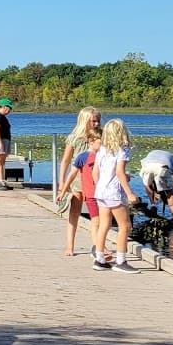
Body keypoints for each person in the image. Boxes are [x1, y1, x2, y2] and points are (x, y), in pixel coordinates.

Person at [90, 117, 141, 272]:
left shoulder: (102, 150)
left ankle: (99, 259)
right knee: (125, 226)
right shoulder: (122, 150)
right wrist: (130, 193)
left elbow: (95, 172)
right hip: (114, 192)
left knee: (104, 224)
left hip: (101, 192)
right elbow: (119, 172)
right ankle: (121, 261)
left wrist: (100, 186)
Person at [54, 106, 102, 255]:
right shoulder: (74, 138)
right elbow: (66, 160)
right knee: (74, 212)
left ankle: (98, 245)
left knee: (98, 216)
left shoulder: (100, 138)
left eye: (98, 121)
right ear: (85, 121)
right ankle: (70, 246)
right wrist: (61, 182)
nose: (96, 124)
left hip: (94, 181)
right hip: (77, 180)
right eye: (93, 121)